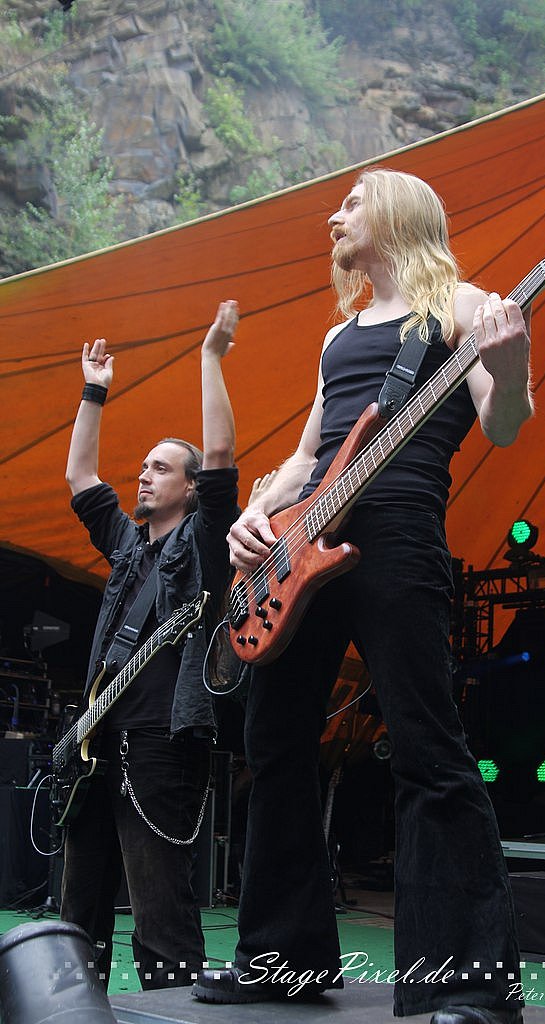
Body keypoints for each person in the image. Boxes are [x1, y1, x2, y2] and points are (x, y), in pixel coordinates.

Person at [193, 168, 532, 1024]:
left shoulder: (461, 306)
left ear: (396, 215)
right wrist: (255, 515)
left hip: (400, 537)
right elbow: (310, 456)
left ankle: (467, 986)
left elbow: (502, 425)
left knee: (425, 744)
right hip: (299, 549)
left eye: (350, 205)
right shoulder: (337, 336)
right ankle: (281, 962)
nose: (332, 218)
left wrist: (510, 363)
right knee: (274, 746)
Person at [60, 301, 240, 990]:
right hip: (97, 742)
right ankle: (71, 1003)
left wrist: (210, 358)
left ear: (189, 489)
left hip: (162, 741)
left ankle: (172, 1004)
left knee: (159, 906)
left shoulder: (204, 543)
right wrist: (94, 392)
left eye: (160, 468)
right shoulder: (129, 545)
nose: (143, 475)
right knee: (79, 907)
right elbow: (81, 479)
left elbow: (219, 459)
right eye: (142, 466)